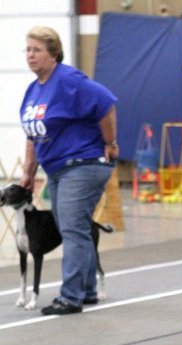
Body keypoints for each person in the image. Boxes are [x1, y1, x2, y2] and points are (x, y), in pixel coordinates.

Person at [19, 26, 119, 315]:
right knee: (71, 228)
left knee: (73, 229)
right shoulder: (34, 89)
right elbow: (32, 135)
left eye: (36, 50)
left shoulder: (68, 80)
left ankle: (70, 296)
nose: (30, 55)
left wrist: (110, 143)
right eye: (27, 50)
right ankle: (86, 289)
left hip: (83, 164)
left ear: (53, 53)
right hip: (57, 169)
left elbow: (106, 103)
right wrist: (28, 172)